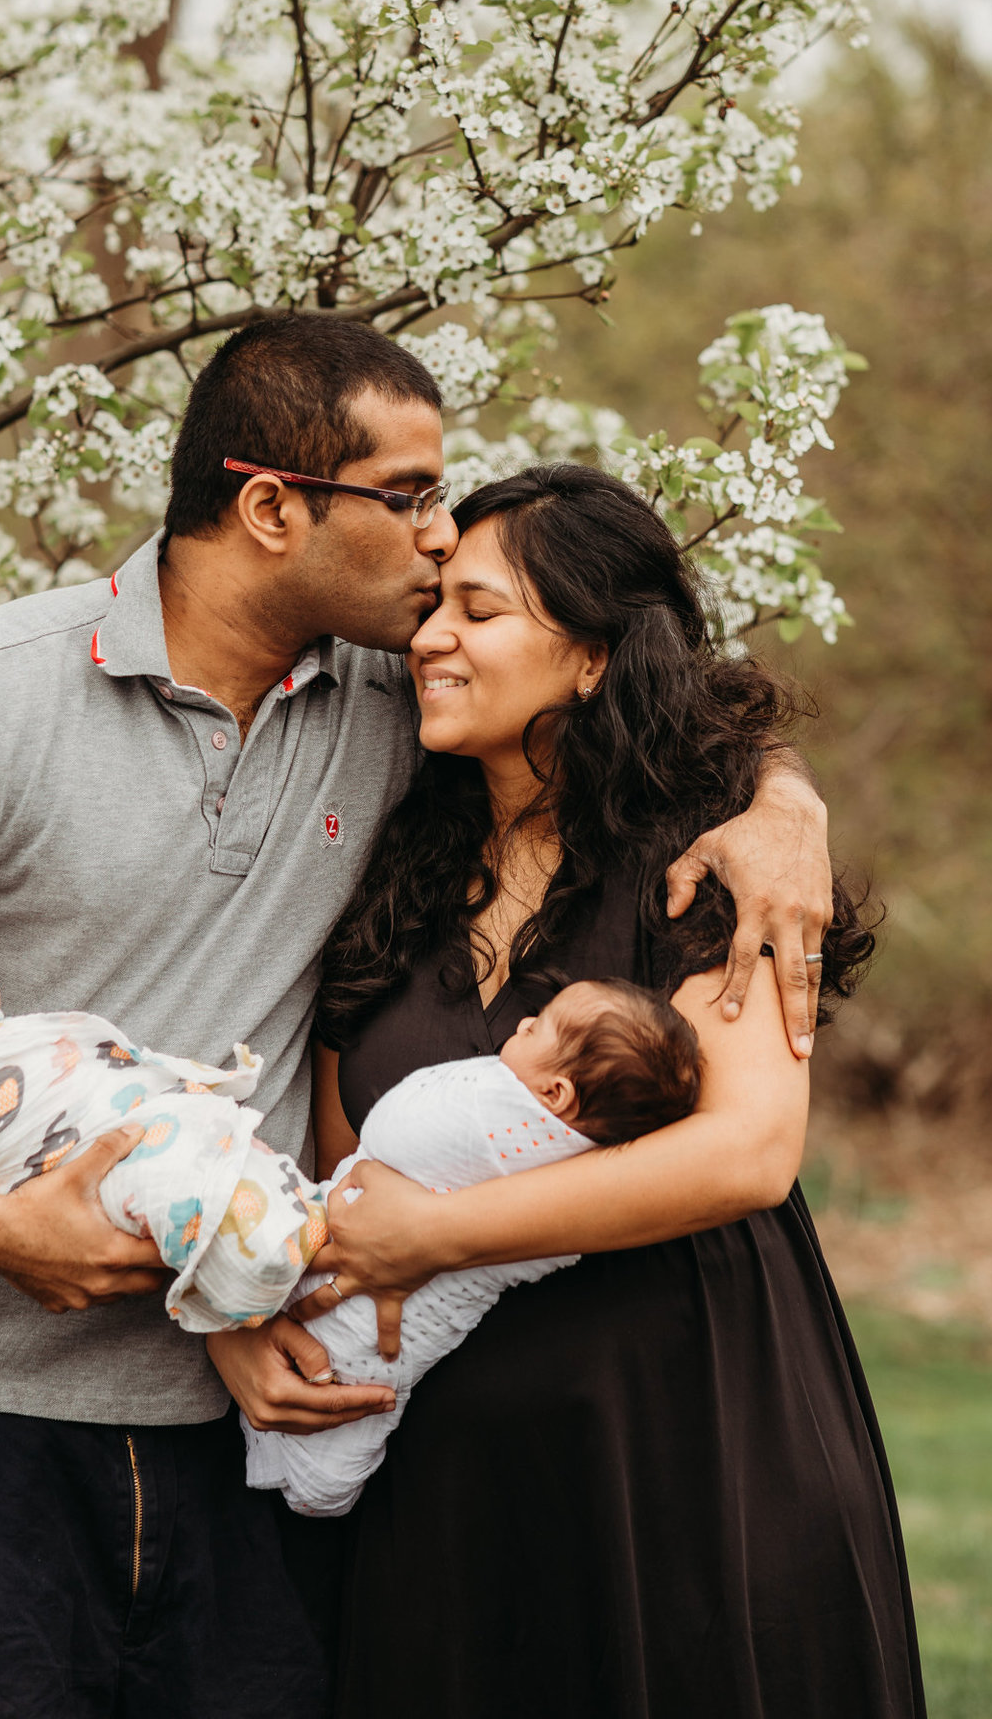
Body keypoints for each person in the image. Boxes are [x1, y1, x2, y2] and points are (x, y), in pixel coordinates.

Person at [0, 314, 833, 1719]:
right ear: (269, 507)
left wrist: (786, 806)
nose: (439, 542)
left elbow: (640, 682)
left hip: (256, 1428)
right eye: (410, 497)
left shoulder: (389, 698)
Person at [306, 464, 924, 1719]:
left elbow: (745, 1152)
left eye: (477, 613)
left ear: (591, 655)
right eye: (433, 609)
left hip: (682, 1452)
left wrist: (431, 1235)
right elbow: (340, 1162)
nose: (429, 637)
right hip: (444, 1495)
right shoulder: (396, 869)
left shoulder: (706, 860)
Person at [245, 975, 700, 1519]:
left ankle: (319, 1486)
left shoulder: (526, 1139)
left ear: (555, 1095)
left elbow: (397, 1129)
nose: (525, 1022)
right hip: (440, 1435)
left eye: (541, 1025)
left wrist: (426, 1227)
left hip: (557, 1431)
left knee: (353, 1386)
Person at [0, 899, 331, 1331]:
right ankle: (265, 1251)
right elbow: (17, 1125)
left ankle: (283, 1230)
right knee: (179, 1177)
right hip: (93, 1166)